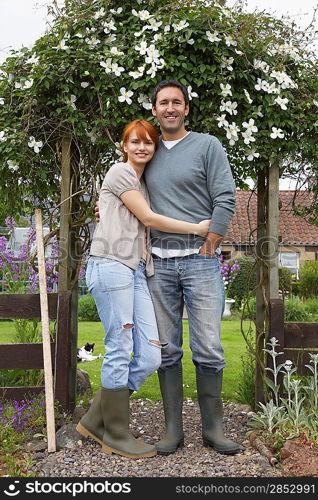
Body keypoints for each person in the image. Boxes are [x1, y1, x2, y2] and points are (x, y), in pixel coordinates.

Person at [95, 81, 241, 456]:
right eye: (164, 103)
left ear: (186, 109)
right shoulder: (149, 151)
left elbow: (225, 195)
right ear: (156, 110)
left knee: (208, 346)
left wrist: (213, 240)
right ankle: (173, 430)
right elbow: (129, 197)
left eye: (177, 102)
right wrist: (105, 209)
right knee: (167, 349)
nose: (170, 108)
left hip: (201, 261)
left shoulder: (208, 146)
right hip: (156, 265)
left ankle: (213, 429)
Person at [76, 119, 211, 459]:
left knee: (152, 354)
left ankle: (96, 418)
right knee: (119, 346)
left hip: (136, 270)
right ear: (124, 146)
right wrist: (198, 228)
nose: (141, 147)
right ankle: (116, 433)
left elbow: (133, 213)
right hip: (111, 266)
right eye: (135, 141)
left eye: (148, 143)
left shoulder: (142, 183)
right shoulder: (120, 172)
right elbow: (149, 219)